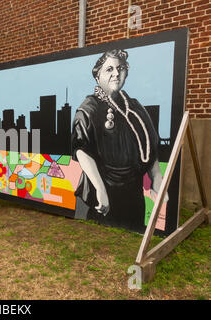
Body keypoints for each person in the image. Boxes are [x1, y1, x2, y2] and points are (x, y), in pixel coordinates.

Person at [71, 49, 167, 233]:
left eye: (120, 68)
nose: (116, 73)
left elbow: (150, 144)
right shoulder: (89, 108)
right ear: (97, 76)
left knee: (130, 235)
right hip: (100, 196)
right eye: (109, 69)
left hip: (132, 195)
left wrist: (156, 178)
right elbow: (82, 150)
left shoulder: (135, 107)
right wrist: (100, 189)